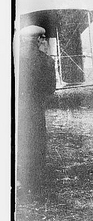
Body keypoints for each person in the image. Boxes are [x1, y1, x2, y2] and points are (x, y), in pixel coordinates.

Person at [16, 25, 57, 194]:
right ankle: (35, 182)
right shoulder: (47, 61)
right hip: (36, 107)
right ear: (39, 40)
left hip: (16, 107)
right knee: (37, 141)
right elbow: (50, 89)